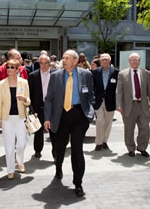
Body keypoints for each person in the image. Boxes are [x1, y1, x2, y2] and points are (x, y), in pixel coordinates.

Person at [44, 49, 95, 197]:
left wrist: (89, 114)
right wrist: (47, 118)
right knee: (60, 147)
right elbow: (49, 98)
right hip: (61, 115)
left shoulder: (86, 75)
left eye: (67, 58)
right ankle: (58, 167)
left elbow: (91, 95)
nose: (63, 60)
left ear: (74, 60)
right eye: (63, 58)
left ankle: (78, 182)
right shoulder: (55, 76)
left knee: (77, 149)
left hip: (79, 115)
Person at [0, 59, 31, 180]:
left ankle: (20, 161)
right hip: (7, 118)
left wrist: (24, 99)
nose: (9, 69)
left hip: (21, 117)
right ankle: (10, 169)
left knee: (22, 143)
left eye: (12, 67)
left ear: (17, 69)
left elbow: (29, 101)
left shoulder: (24, 82)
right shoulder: (1, 84)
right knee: (9, 145)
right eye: (8, 67)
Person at [116, 53, 150, 157]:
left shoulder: (146, 73)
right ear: (129, 61)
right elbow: (119, 91)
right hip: (129, 106)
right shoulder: (122, 74)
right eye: (133, 60)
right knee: (129, 129)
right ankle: (131, 148)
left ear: (139, 61)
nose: (135, 62)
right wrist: (119, 105)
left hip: (142, 106)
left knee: (145, 129)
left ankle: (142, 148)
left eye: (137, 60)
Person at [28, 54, 56, 159]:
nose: (44, 65)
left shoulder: (56, 74)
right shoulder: (33, 76)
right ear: (38, 64)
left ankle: (55, 153)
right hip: (38, 107)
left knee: (53, 130)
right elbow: (30, 93)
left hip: (52, 107)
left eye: (46, 63)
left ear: (50, 63)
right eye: (41, 63)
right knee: (38, 131)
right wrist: (31, 109)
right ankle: (38, 150)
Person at [92, 53, 119, 151]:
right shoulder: (95, 72)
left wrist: (118, 103)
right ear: (100, 61)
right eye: (103, 59)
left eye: (106, 59)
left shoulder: (116, 72)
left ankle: (104, 141)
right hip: (98, 101)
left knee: (108, 122)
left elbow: (118, 88)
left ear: (110, 60)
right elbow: (92, 87)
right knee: (100, 121)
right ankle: (98, 142)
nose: (104, 61)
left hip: (110, 101)